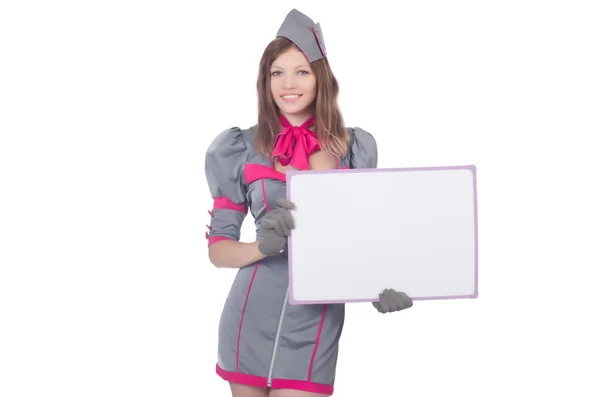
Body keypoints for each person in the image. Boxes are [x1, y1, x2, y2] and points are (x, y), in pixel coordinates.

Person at [204, 9, 414, 397]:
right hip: (250, 316)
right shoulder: (239, 148)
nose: (288, 84)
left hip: (315, 323)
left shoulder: (353, 150)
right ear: (264, 81)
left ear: (321, 78)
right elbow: (219, 251)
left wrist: (379, 289)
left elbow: (360, 240)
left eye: (302, 71)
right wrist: (261, 246)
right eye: (276, 72)